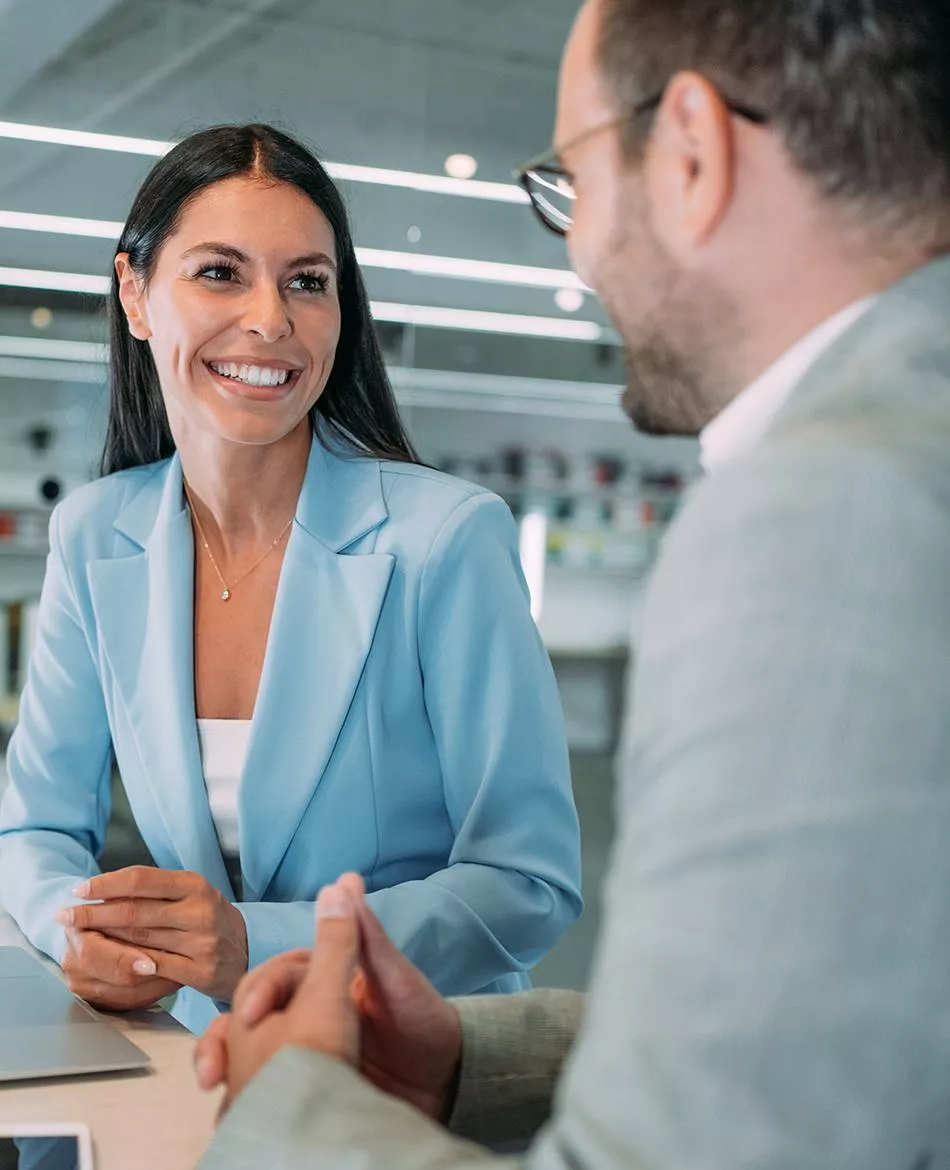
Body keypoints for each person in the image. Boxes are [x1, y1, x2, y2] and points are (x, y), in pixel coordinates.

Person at [195, 0, 950, 1165]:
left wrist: (288, 1108)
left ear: (690, 151)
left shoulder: (829, 507)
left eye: (571, 181)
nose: (579, 246)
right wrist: (468, 1061)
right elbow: (850, 1030)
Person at [0, 123, 583, 1036]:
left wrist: (256, 943)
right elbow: (30, 832)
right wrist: (79, 932)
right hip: (196, 1059)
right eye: (221, 272)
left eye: (307, 281)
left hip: (403, 1071)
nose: (271, 318)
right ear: (136, 293)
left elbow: (527, 885)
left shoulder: (445, 540)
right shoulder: (95, 533)